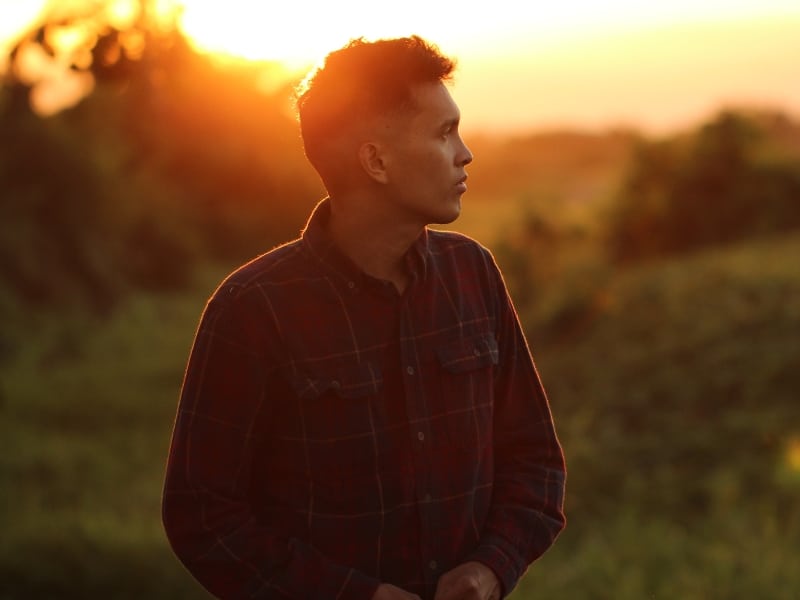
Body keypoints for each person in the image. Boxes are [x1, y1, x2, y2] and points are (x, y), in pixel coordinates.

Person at [162, 35, 566, 600]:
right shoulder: (253, 310)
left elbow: (535, 461)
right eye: (444, 132)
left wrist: (490, 568)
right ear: (375, 160)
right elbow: (203, 517)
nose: (465, 152)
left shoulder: (473, 274)